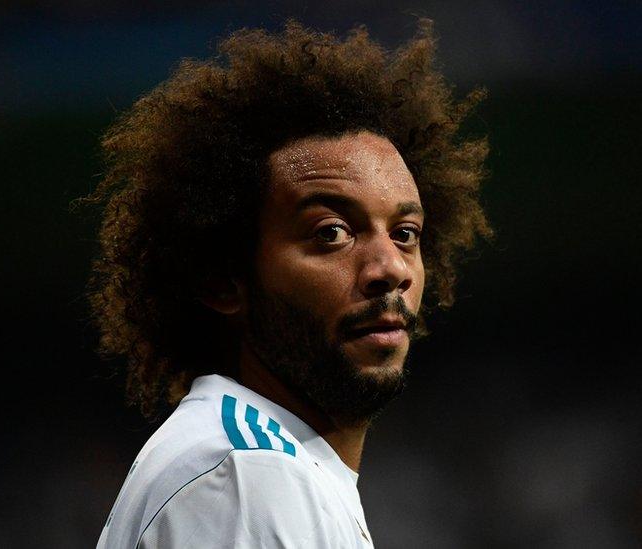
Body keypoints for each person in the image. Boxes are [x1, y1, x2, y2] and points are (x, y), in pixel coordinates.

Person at [86, 18, 491, 548]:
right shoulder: (248, 475)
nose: (390, 267)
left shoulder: (270, 464)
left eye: (406, 233)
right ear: (223, 280)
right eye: (332, 233)